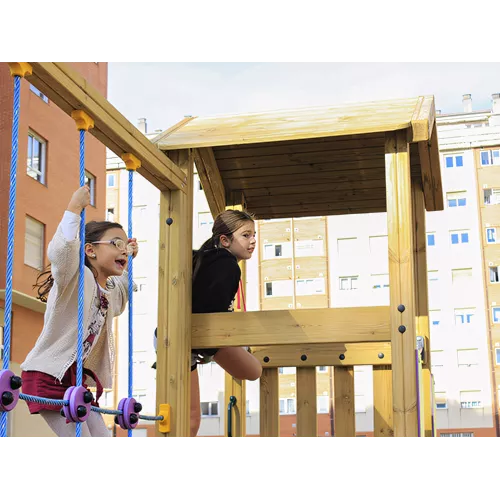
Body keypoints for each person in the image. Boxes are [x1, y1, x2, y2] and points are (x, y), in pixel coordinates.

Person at [21, 185, 139, 439]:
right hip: (48, 374)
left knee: (103, 440)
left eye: (125, 246)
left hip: (74, 379)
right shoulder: (76, 276)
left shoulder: (108, 289)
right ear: (90, 250)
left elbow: (123, 293)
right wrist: (74, 209)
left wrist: (131, 258)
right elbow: (62, 253)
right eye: (116, 243)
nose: (123, 250)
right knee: (81, 441)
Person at [154, 209, 262, 436]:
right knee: (254, 370)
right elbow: (209, 308)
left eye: (254, 235)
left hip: (173, 334)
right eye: (245, 235)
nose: (252, 241)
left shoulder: (205, 258)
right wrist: (210, 349)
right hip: (190, 335)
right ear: (225, 240)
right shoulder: (227, 264)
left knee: (190, 419)